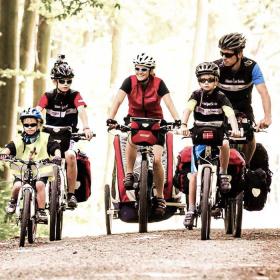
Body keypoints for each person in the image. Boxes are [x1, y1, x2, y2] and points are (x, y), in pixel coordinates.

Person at [106, 52, 180, 216]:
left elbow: (169, 103)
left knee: (158, 159)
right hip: (135, 120)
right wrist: (110, 118)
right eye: (137, 68)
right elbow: (117, 100)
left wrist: (177, 119)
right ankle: (130, 174)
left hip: (156, 123)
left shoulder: (159, 83)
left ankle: (160, 197)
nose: (139, 72)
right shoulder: (129, 81)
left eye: (144, 69)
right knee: (131, 140)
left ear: (151, 70)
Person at [180, 62, 240, 228]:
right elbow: (187, 110)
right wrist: (184, 125)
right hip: (199, 134)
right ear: (198, 81)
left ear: (216, 81)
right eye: (202, 80)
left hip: (218, 133)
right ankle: (191, 209)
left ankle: (223, 174)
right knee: (192, 175)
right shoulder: (195, 95)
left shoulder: (221, 96)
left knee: (226, 144)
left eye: (210, 79)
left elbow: (229, 113)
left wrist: (235, 129)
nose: (206, 82)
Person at [36, 55, 93, 208]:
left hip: (70, 136)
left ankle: (71, 194)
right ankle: (38, 196)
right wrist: (34, 125)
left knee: (71, 156)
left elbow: (81, 110)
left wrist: (86, 127)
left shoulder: (75, 95)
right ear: (55, 81)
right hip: (50, 136)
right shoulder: (47, 96)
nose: (66, 84)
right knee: (40, 159)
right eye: (62, 81)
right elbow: (37, 111)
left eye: (69, 81)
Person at [215, 32, 272, 164]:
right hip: (220, 107)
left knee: (250, 134)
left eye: (228, 55)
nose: (224, 58)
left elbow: (263, 93)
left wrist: (267, 117)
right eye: (221, 54)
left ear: (239, 54)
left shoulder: (252, 67)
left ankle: (244, 167)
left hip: (243, 108)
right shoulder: (216, 67)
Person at [2, 108, 61, 223]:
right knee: (17, 186)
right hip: (22, 169)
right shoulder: (18, 139)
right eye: (26, 125)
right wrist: (3, 154)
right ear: (23, 125)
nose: (29, 127)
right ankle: (13, 202)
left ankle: (41, 210)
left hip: (40, 169)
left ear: (38, 125)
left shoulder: (45, 137)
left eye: (33, 124)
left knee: (39, 185)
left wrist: (57, 156)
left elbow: (55, 148)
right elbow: (9, 148)